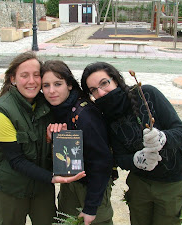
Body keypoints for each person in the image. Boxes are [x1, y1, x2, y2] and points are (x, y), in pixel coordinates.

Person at [0, 51, 85, 225]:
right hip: (10, 188)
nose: (31, 81)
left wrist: (54, 139)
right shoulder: (0, 112)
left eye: (36, 75)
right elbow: (16, 160)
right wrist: (52, 178)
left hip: (41, 187)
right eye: (24, 75)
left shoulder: (46, 104)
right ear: (13, 79)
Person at [81, 62, 182, 225]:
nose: (101, 92)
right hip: (140, 184)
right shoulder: (105, 117)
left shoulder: (146, 95)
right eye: (93, 90)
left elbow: (181, 132)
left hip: (171, 182)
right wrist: (136, 160)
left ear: (115, 79)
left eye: (104, 83)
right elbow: (119, 157)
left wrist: (163, 138)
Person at [41, 60, 114, 225]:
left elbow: (102, 162)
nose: (51, 91)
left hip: (92, 186)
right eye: (46, 85)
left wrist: (91, 207)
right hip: (71, 183)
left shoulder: (85, 115)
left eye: (58, 84)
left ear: (69, 85)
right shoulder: (57, 109)